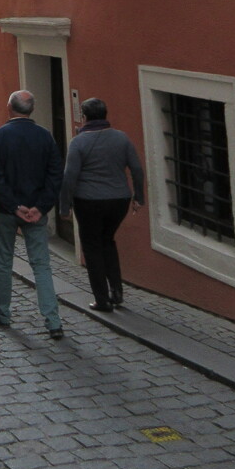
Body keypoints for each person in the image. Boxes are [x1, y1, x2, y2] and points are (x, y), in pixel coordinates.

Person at [0, 89, 65, 339]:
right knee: (41, 265)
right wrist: (40, 207)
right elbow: (55, 175)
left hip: (5, 210)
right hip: (36, 212)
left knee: (3, 262)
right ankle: (53, 322)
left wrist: (14, 205)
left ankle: (2, 313)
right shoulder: (45, 137)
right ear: (32, 110)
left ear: (10, 107)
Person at [59, 97, 145, 311]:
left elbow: (70, 176)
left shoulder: (78, 142)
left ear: (85, 117)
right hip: (119, 200)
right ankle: (117, 291)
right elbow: (136, 169)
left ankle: (102, 299)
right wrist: (139, 196)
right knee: (108, 241)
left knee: (92, 247)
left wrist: (64, 205)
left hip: (88, 201)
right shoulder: (121, 138)